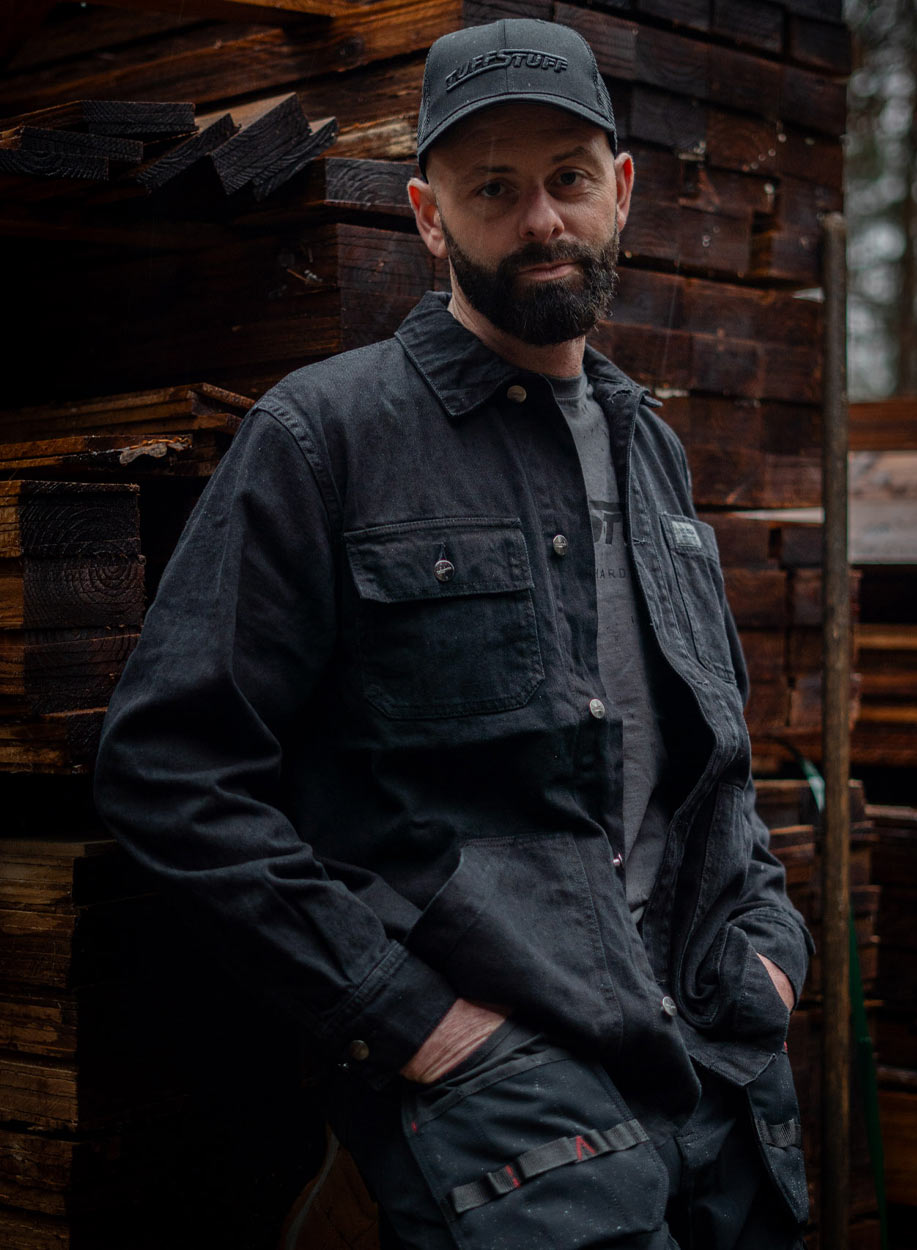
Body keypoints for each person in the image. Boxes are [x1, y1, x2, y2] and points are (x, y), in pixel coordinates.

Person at [95, 17, 814, 1250]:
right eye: (494, 187)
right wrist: (400, 1011)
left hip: (713, 1062)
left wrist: (768, 955)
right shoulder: (325, 438)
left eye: (567, 180)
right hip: (503, 1088)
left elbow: (714, 768)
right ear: (429, 217)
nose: (540, 218)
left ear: (619, 192)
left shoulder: (653, 449)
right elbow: (168, 769)